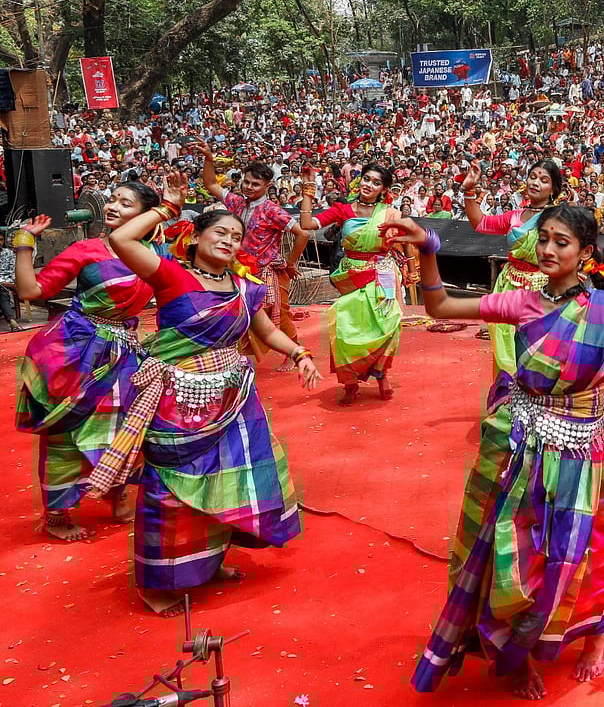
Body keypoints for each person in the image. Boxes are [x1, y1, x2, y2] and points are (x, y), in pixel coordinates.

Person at [392, 207, 604, 699]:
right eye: (544, 239)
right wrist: (428, 249)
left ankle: (596, 633)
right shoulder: (522, 303)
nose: (548, 249)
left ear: (586, 254)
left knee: (580, 550)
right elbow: (439, 307)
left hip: (580, 449)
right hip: (520, 443)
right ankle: (518, 651)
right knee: (514, 551)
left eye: (562, 242)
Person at [100, 174, 317, 615]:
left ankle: (206, 564)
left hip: (234, 399)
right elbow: (121, 237)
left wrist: (300, 354)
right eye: (220, 231)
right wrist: (167, 207)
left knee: (230, 478)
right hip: (179, 399)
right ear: (195, 236)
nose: (230, 241)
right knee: (169, 487)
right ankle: (160, 582)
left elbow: (267, 330)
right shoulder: (170, 276)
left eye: (237, 237)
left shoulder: (244, 288)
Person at [13, 184, 161, 542]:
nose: (111, 206)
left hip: (126, 353)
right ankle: (58, 514)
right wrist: (23, 242)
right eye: (112, 199)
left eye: (125, 203)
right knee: (65, 430)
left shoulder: (157, 254)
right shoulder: (86, 250)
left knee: (127, 427)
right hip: (75, 352)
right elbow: (31, 292)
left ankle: (117, 494)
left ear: (144, 216)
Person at [298, 162, 406, 405]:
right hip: (352, 275)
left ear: (383, 189)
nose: (369, 185)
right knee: (345, 327)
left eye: (376, 182)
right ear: (360, 181)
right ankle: (350, 382)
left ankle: (381, 375)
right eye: (367, 179)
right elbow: (306, 225)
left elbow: (402, 241)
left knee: (386, 328)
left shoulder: (390, 213)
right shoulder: (343, 210)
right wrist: (308, 189)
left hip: (382, 274)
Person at [197, 143, 310, 371]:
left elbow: (303, 233)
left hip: (265, 270)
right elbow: (210, 184)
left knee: (278, 313)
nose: (249, 187)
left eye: (255, 184)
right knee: (234, 310)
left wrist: (290, 262)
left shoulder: (272, 210)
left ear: (267, 186)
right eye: (246, 182)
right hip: (237, 269)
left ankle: (295, 350)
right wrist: (209, 158)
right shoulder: (237, 202)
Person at [462, 159, 562, 372]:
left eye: (543, 180)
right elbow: (480, 223)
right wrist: (469, 191)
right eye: (532, 177)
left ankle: (537, 398)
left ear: (553, 188)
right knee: (505, 343)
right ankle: (508, 395)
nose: (535, 183)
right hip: (509, 285)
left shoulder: (561, 217)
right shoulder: (515, 215)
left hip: (543, 290)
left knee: (539, 347)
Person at [0, 232, 21, 332]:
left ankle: (11, 320)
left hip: (7, 281)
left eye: (1, 240)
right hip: (2, 285)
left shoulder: (8, 253)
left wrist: (13, 282)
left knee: (2, 290)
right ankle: (11, 320)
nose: (0, 242)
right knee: (2, 292)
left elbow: (13, 270)